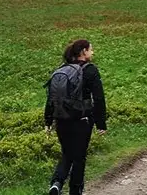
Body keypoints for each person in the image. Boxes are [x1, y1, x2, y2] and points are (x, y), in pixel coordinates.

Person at [45, 39, 108, 195]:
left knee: (67, 153)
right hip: (82, 121)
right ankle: (75, 191)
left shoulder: (61, 69)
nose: (92, 53)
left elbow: (51, 97)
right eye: (91, 50)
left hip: (61, 120)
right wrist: (101, 123)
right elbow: (99, 98)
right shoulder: (90, 70)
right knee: (79, 157)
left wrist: (48, 120)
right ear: (83, 52)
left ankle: (56, 184)